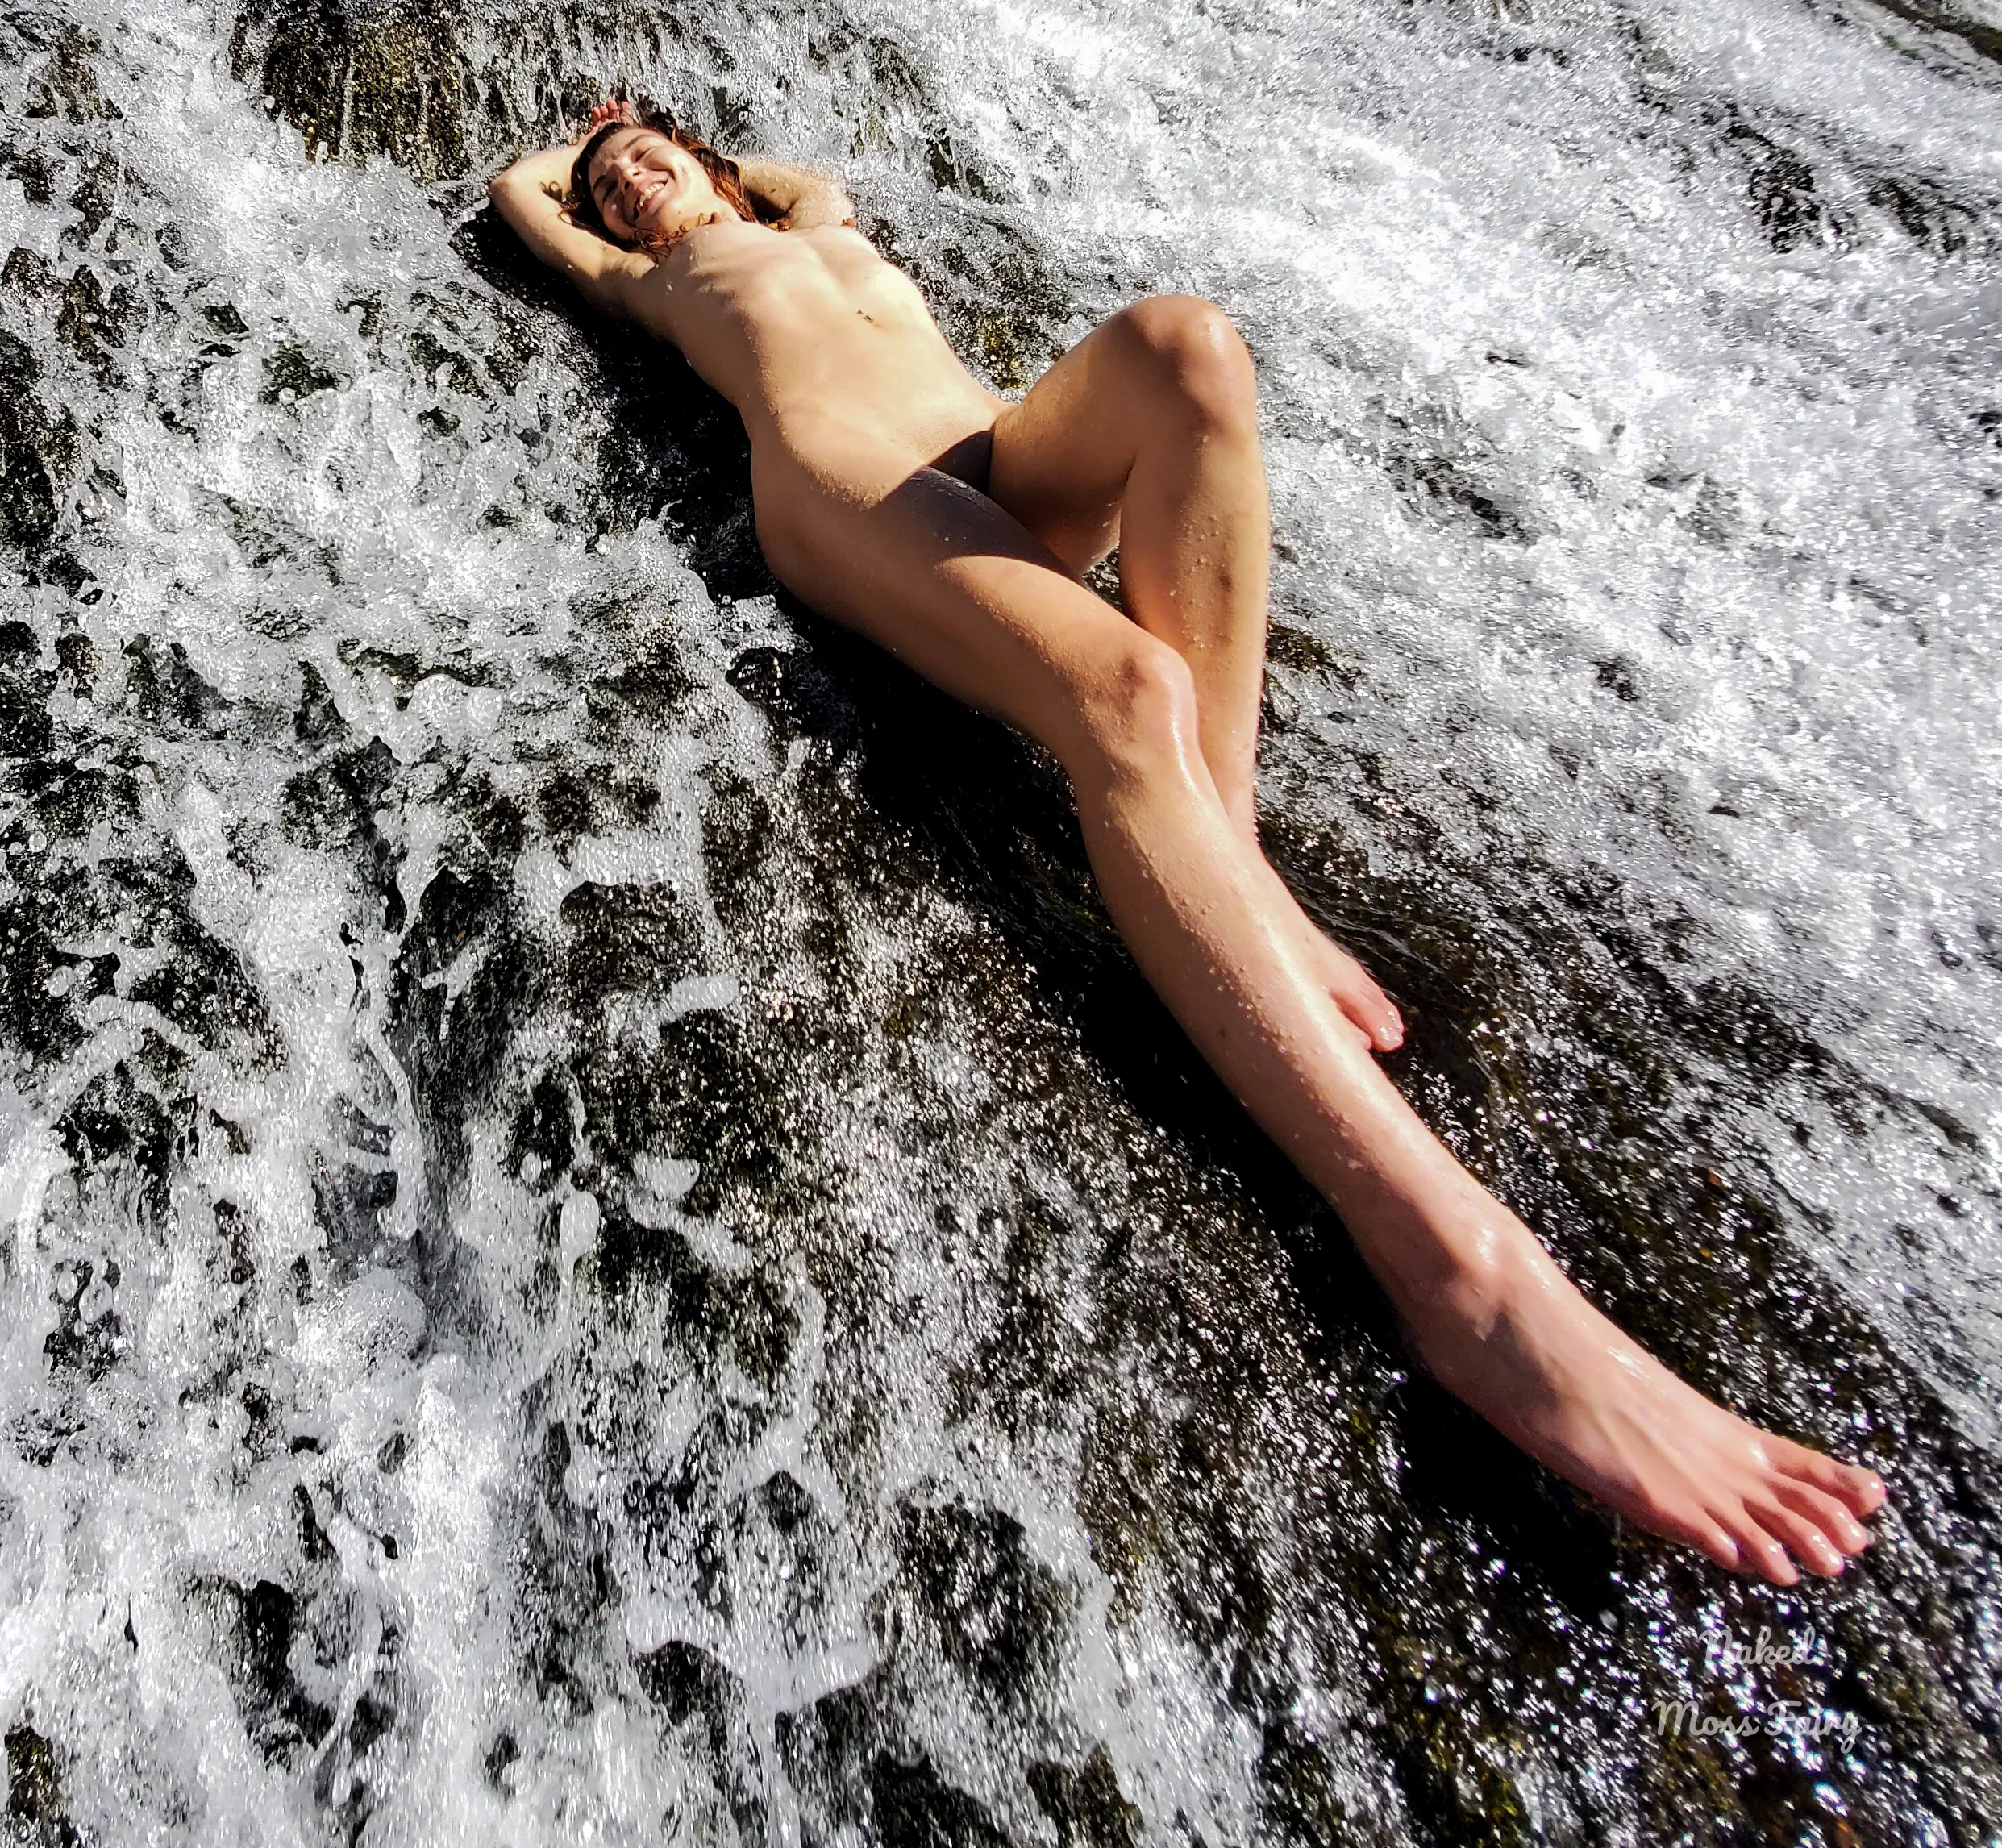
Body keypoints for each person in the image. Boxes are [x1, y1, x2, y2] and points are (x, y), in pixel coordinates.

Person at [490, 101, 1886, 1585]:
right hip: (837, 482)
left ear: (715, 165)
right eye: (612, 183)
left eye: (652, 157)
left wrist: (681, 142)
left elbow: (796, 176)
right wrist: (587, 161)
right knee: (1127, 688)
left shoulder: (813, 221)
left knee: (1185, 346)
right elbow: (526, 195)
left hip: (989, 469)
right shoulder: (641, 276)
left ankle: (1234, 868)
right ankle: (1463, 1278)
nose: (624, 177)